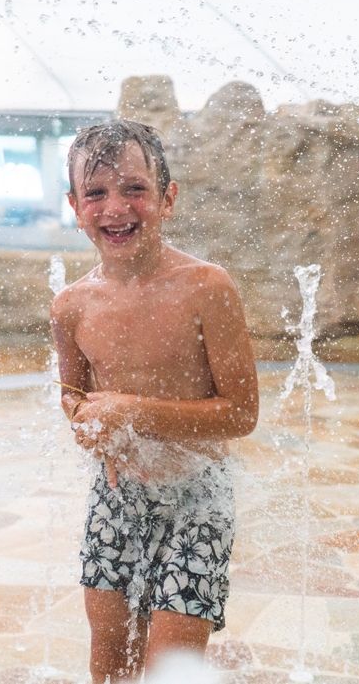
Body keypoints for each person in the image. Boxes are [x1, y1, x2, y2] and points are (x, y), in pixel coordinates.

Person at [51, 119, 259, 682]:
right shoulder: (72, 306)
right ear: (75, 205)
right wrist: (87, 422)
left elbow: (241, 412)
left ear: (167, 198)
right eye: (96, 193)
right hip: (116, 496)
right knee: (110, 657)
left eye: (134, 189)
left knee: (171, 664)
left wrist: (128, 408)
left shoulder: (206, 288)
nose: (115, 207)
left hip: (199, 498)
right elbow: (73, 396)